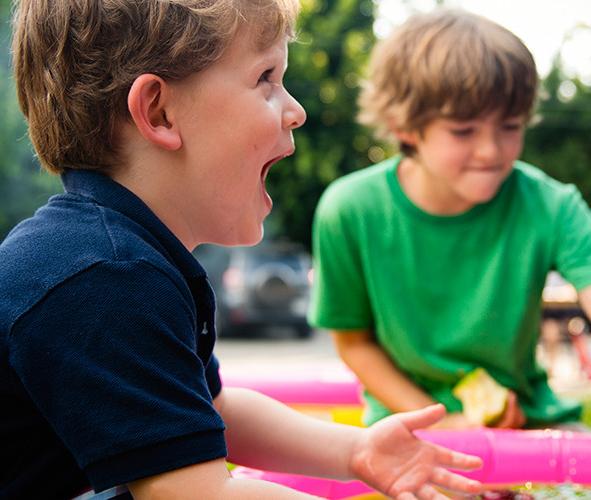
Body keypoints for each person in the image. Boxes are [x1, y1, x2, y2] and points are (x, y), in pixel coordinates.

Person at [0, 1, 483, 498]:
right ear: (159, 112)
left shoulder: (125, 259)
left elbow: (215, 412)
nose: (296, 110)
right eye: (266, 79)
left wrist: (355, 452)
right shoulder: (104, 278)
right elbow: (199, 494)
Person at [308, 8, 591, 431]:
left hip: (530, 422)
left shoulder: (552, 204)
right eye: (463, 131)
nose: (491, 151)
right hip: (406, 426)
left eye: (510, 127)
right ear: (403, 126)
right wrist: (440, 423)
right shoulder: (349, 210)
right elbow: (354, 343)